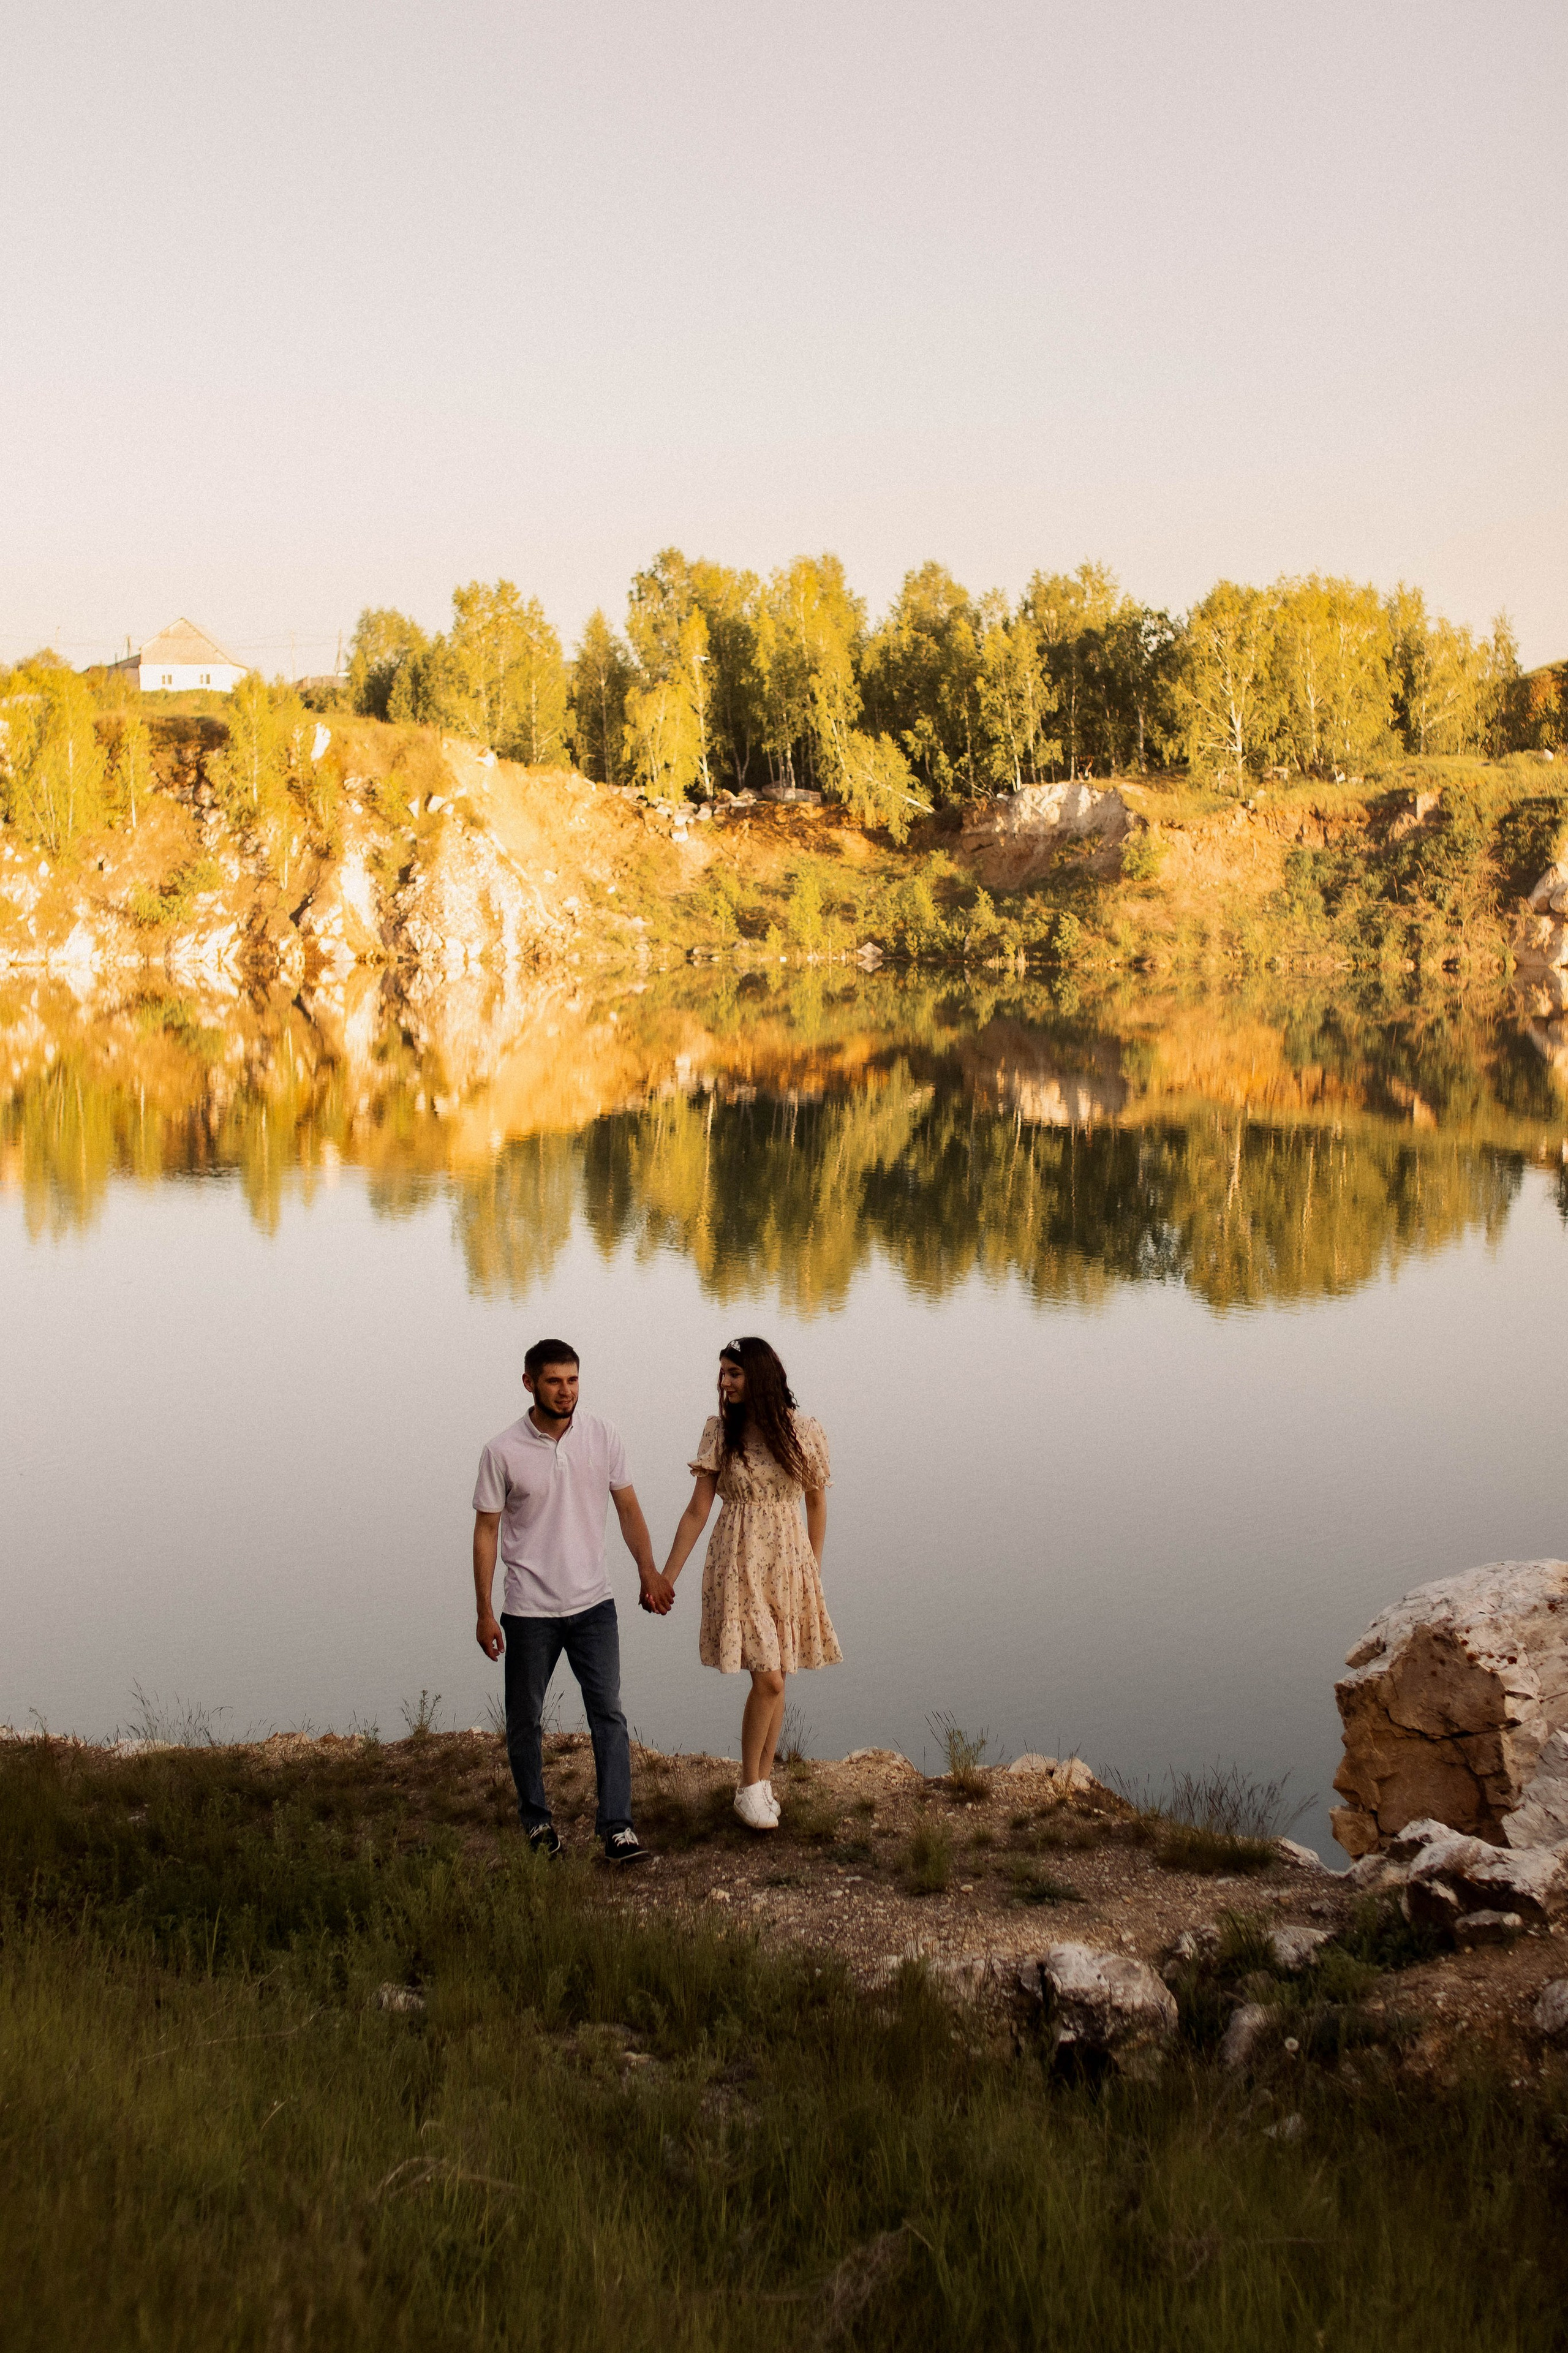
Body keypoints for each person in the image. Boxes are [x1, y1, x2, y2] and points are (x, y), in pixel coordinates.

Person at [472, 1339, 674, 1864]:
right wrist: (484, 1610)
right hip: (529, 1610)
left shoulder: (603, 1436)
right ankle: (537, 1824)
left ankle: (617, 1830)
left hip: (593, 1604)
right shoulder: (502, 1450)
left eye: (574, 1380)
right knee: (525, 1719)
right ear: (529, 1383)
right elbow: (486, 1532)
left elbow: (628, 1509)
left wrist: (648, 1570)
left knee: (608, 1712)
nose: (566, 1391)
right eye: (555, 1381)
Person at [660, 1337, 840, 1830]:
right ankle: (748, 1786)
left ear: (758, 1376)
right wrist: (666, 1575)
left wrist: (812, 1570)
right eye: (721, 1372)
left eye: (733, 1373)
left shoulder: (804, 1430)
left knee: (779, 1671)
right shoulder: (720, 1432)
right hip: (736, 1562)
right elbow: (699, 1509)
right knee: (770, 1676)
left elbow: (817, 1504)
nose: (724, 1382)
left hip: (787, 1562)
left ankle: (761, 1783)